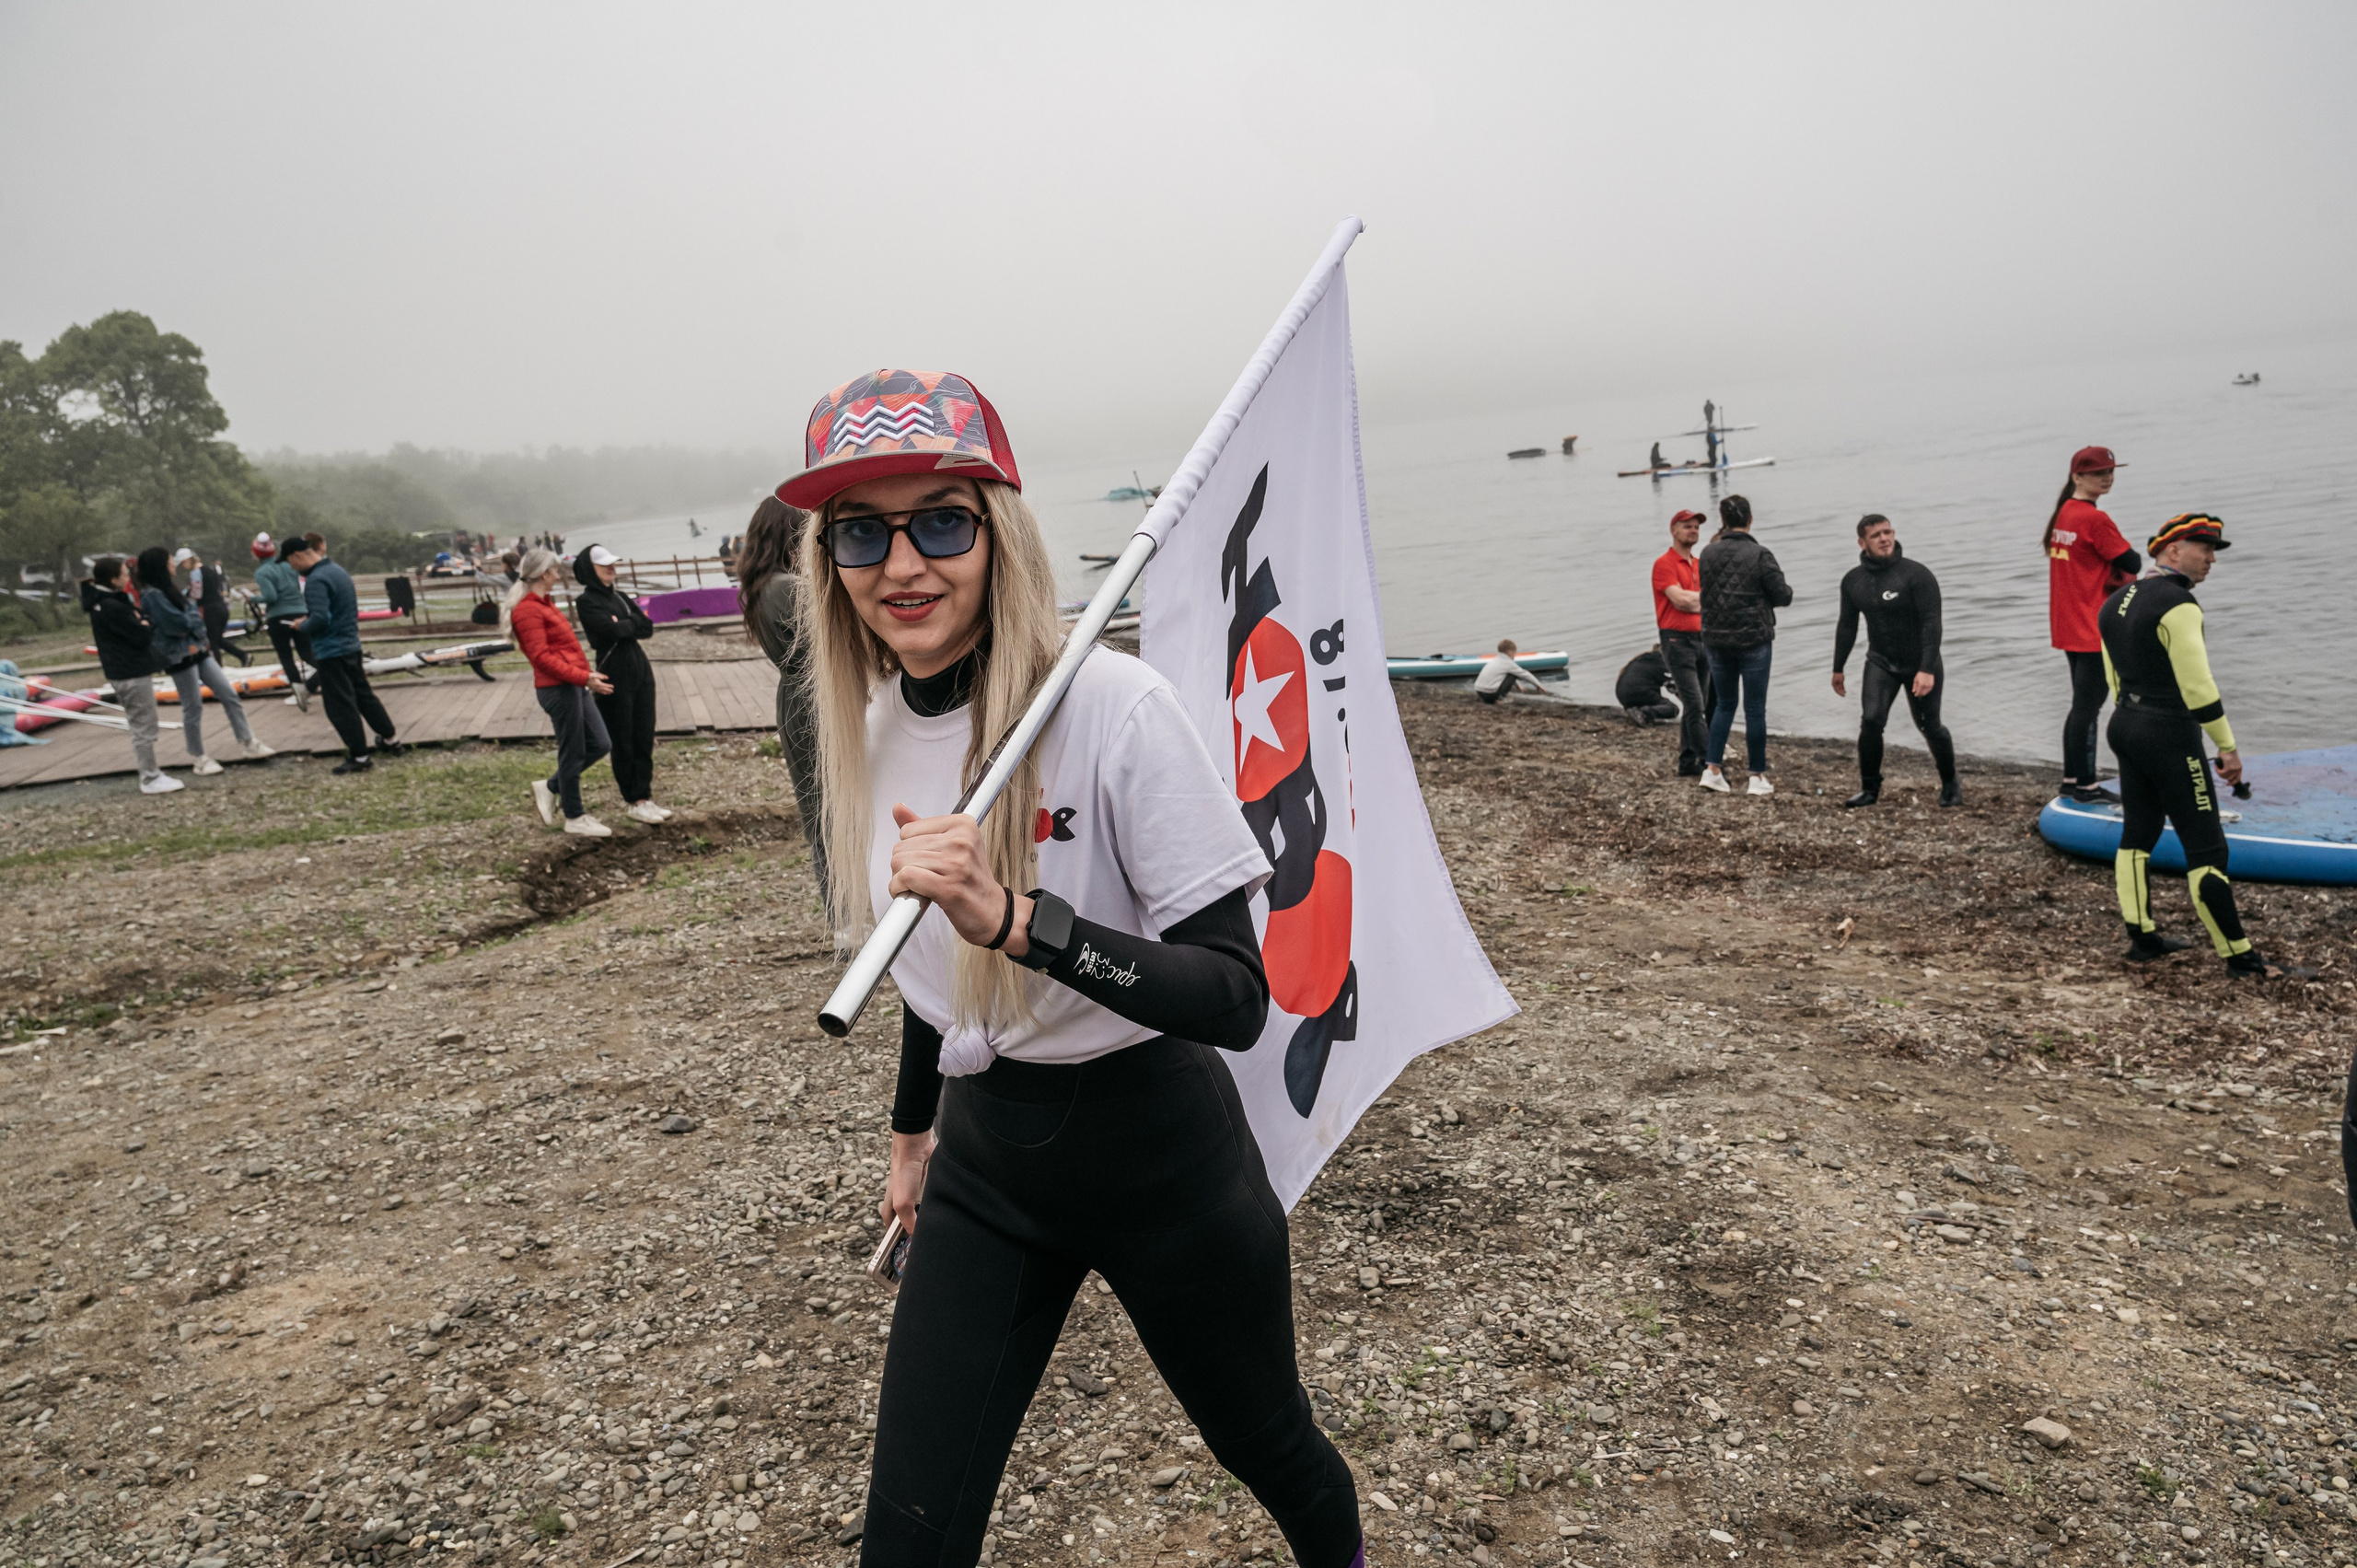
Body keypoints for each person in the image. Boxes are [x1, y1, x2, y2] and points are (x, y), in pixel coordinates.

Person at [786, 367, 1361, 1568]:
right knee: (906, 1541)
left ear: (999, 532)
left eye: (940, 519)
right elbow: (923, 967)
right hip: (988, 1166)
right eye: (861, 531)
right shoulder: (870, 727)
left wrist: (1023, 921)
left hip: (1164, 1158)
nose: (902, 564)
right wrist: (909, 1142)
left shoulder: (1116, 707)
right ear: (827, 558)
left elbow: (1238, 995)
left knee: (1274, 1450)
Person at [2099, 514, 2308, 981]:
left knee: (2138, 835)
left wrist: (2136, 718)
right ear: (2172, 551)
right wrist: (2227, 747)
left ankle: (2142, 937)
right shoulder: (2178, 605)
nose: (2212, 559)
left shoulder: (2114, 601)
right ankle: (2241, 959)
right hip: (2168, 734)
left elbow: (2113, 677)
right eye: (2205, 549)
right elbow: (2198, 687)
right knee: (2207, 849)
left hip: (2125, 723)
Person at [1831, 513, 1960, 808]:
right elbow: (1847, 626)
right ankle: (1870, 789)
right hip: (1881, 662)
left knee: (1930, 726)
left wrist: (1926, 669)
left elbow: (1932, 624)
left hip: (1920, 662)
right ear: (1862, 542)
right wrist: (1838, 667)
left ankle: (1950, 783)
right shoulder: (1854, 581)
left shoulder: (1916, 575)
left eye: (1888, 532)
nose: (1885, 538)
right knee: (1871, 722)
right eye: (1876, 535)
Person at [737, 493, 829, 903]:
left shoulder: (762, 588)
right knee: (831, 807)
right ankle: (847, 912)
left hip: (793, 698)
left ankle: (843, 911)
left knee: (817, 805)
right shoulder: (788, 588)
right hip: (814, 701)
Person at [2045, 446, 2141, 803]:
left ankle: (2072, 779)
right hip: (2091, 625)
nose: (2107, 477)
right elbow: (2131, 558)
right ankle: (2084, 785)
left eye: (2111, 471)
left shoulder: (2065, 513)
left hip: (2068, 622)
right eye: (2099, 472)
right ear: (2077, 476)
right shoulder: (2093, 518)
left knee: (2081, 704)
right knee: (2088, 706)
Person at [134, 547, 270, 775]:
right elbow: (174, 624)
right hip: (179, 656)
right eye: (169, 561)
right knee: (193, 706)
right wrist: (191, 623)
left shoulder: (171, 590)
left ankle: (248, 742)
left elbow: (192, 614)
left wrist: (192, 624)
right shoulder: (152, 596)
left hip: (198, 650)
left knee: (228, 693)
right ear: (160, 565)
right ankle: (199, 757)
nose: (173, 565)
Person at [507, 548, 614, 836]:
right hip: (558, 689)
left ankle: (551, 786)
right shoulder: (528, 610)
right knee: (574, 752)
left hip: (574, 684)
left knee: (602, 744)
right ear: (543, 574)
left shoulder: (545, 604)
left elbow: (563, 650)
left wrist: (583, 676)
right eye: (554, 571)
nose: (558, 576)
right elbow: (541, 657)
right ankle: (575, 816)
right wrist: (584, 677)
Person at [1696, 494, 1790, 796]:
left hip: (1716, 638)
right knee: (1754, 708)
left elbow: (1709, 592)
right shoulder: (1760, 554)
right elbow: (1782, 596)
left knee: (1724, 703)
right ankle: (1757, 776)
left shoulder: (1708, 553)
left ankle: (1712, 769)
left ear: (1723, 521)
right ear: (1749, 519)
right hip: (1753, 639)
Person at [573, 544, 669, 823]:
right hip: (613, 672)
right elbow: (608, 630)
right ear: (590, 570)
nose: (611, 568)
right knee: (622, 737)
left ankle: (645, 795)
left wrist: (623, 623)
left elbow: (646, 628)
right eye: (604, 565)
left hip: (640, 669)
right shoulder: (587, 601)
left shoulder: (622, 596)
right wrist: (629, 624)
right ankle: (633, 799)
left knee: (643, 734)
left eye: (612, 564)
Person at [285, 536, 399, 774]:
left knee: (340, 705)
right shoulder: (338, 571)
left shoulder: (316, 580)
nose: (292, 568)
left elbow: (320, 619)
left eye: (290, 563)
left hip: (331, 651)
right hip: (351, 645)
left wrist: (301, 626)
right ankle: (390, 740)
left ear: (298, 556)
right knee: (363, 695)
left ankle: (359, 757)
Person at [80, 558, 181, 795]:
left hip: (124, 670)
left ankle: (152, 772)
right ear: (114, 579)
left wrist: (143, 621)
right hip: (130, 672)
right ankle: (149, 777)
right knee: (144, 726)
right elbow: (141, 634)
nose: (128, 578)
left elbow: (143, 619)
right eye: (125, 575)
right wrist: (143, 624)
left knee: (142, 723)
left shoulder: (104, 602)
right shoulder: (111, 606)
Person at [1651, 508, 1712, 774]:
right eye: (1688, 526)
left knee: (1698, 705)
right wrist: (1704, 602)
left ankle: (1688, 763)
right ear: (1674, 530)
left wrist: (1700, 602)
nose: (1694, 531)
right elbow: (1681, 601)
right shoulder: (1664, 564)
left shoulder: (1700, 565)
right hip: (1676, 640)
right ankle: (1710, 764)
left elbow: (1699, 601)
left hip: (1703, 639)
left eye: (1696, 527)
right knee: (1695, 704)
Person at [252, 538, 316, 711]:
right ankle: (321, 675)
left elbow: (271, 597)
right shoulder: (289, 565)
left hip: (278, 617)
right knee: (307, 653)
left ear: (256, 554)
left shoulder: (262, 572)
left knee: (286, 656)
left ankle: (298, 691)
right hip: (300, 612)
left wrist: (253, 599)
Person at [1613, 648, 1681, 724]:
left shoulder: (1646, 659)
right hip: (1638, 691)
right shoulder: (1662, 662)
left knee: (1658, 704)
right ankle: (1643, 712)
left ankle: (1637, 710)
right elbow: (1678, 690)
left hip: (1623, 695)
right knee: (1673, 709)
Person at [1474, 637, 1547, 703]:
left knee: (1510, 673)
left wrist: (1518, 685)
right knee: (1514, 674)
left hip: (1479, 692)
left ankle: (1491, 699)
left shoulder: (1495, 660)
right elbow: (1525, 674)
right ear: (1510, 652)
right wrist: (1538, 684)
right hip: (1490, 694)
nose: (1515, 655)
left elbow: (1506, 674)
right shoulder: (1508, 663)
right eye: (1515, 653)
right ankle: (1499, 699)